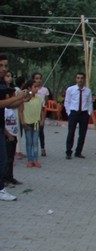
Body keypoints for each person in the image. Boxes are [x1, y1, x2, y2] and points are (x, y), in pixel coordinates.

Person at [0, 53, 31, 201]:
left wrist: (23, 100)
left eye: (5, 66)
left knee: (4, 158)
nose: (4, 69)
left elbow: (10, 105)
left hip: (2, 127)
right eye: (1, 65)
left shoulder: (3, 85)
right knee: (3, 158)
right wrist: (18, 97)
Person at [64, 72, 93, 159]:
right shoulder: (70, 89)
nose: (80, 80)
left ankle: (78, 152)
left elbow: (89, 102)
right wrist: (69, 112)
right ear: (76, 79)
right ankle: (68, 152)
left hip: (84, 113)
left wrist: (89, 113)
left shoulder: (88, 91)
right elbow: (67, 102)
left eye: (81, 78)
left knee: (82, 134)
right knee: (71, 132)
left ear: (84, 79)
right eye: (78, 78)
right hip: (74, 112)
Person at [18, 79, 45, 168]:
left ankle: (35, 160)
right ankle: (30, 160)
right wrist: (22, 122)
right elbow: (21, 111)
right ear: (29, 88)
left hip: (36, 123)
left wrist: (42, 120)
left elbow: (42, 111)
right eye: (35, 87)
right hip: (27, 123)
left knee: (35, 142)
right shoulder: (24, 99)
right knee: (29, 142)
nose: (37, 89)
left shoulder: (39, 99)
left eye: (38, 87)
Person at [32, 72, 50, 157]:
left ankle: (43, 148)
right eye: (36, 78)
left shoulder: (45, 90)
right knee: (32, 130)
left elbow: (46, 101)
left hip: (40, 111)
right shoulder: (31, 90)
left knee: (40, 131)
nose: (38, 80)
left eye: (40, 78)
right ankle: (32, 148)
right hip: (32, 112)